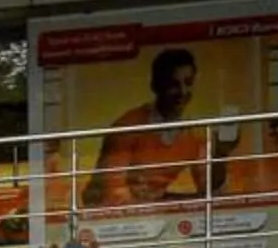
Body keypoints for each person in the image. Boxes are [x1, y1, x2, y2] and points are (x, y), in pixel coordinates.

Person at [87, 49, 230, 208]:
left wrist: (221, 156)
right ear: (156, 86)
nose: (182, 92)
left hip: (151, 213)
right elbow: (112, 192)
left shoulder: (194, 133)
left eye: (188, 83)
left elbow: (210, 191)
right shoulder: (128, 126)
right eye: (173, 84)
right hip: (105, 216)